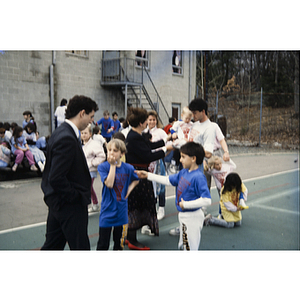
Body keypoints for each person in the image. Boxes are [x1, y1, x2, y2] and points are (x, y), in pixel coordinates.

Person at [40, 95, 98, 250]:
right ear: (82, 113)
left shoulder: (60, 132)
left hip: (57, 203)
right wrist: (75, 196)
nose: (91, 121)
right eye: (91, 116)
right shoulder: (67, 137)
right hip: (69, 206)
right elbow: (56, 177)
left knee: (52, 246)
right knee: (80, 247)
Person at [136, 142, 211, 250]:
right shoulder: (184, 172)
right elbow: (168, 180)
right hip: (184, 216)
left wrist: (186, 204)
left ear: (193, 158)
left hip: (192, 217)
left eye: (183, 157)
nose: (180, 160)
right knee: (183, 245)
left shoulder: (198, 177)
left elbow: (207, 200)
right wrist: (148, 175)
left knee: (189, 248)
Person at [125, 107, 173, 250]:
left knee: (136, 205)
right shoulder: (134, 137)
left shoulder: (136, 135)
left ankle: (130, 236)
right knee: (136, 206)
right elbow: (148, 155)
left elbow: (149, 145)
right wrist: (167, 149)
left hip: (139, 175)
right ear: (141, 122)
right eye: (146, 119)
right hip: (137, 176)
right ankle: (132, 240)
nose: (148, 121)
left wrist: (167, 140)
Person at [96, 139, 139, 250]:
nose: (111, 153)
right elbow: (109, 184)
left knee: (119, 244)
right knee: (103, 244)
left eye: (115, 151)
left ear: (122, 153)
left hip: (121, 211)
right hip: (107, 210)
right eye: (109, 150)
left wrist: (128, 190)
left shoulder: (128, 168)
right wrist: (113, 165)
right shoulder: (103, 167)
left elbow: (136, 180)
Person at [144, 110, 169, 222]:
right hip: (148, 162)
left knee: (161, 183)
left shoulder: (160, 132)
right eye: (150, 120)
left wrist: (163, 154)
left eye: (154, 119)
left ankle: (161, 208)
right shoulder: (144, 132)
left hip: (158, 161)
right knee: (149, 185)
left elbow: (168, 145)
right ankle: (151, 208)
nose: (152, 122)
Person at [81, 124, 106, 213]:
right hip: (83, 170)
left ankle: (92, 204)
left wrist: (92, 163)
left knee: (88, 187)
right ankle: (94, 203)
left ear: (90, 134)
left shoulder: (94, 144)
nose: (83, 135)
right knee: (88, 188)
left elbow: (102, 156)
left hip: (91, 170)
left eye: (85, 133)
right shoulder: (82, 145)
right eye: (82, 133)